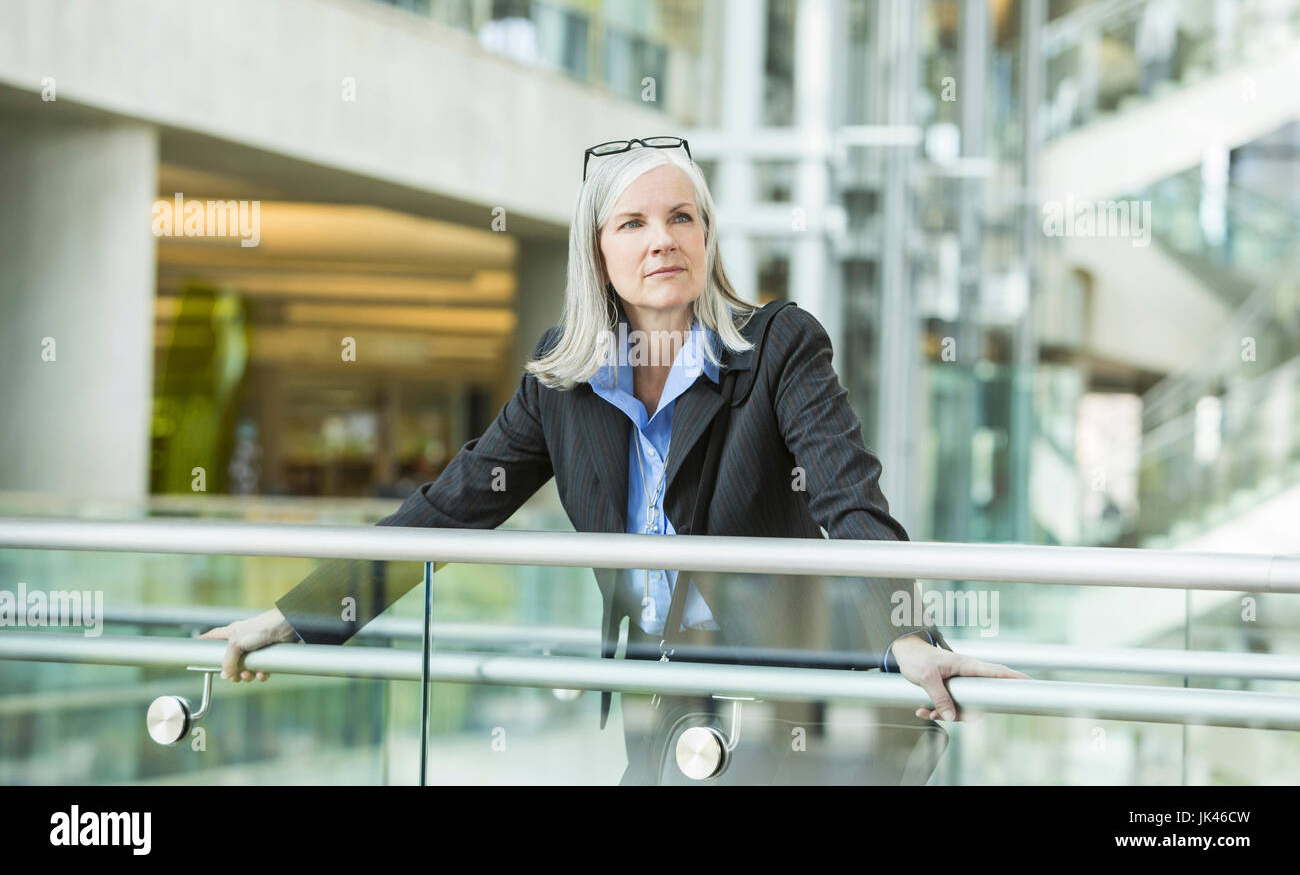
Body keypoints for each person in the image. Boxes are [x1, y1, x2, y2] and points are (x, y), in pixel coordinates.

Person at [200, 136, 1028, 783]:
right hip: (668, 690)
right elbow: (453, 509)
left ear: (707, 236)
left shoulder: (777, 346)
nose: (662, 239)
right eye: (632, 223)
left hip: (799, 694)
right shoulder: (564, 376)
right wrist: (291, 617)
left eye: (682, 218)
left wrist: (907, 631)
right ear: (597, 253)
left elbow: (850, 500)